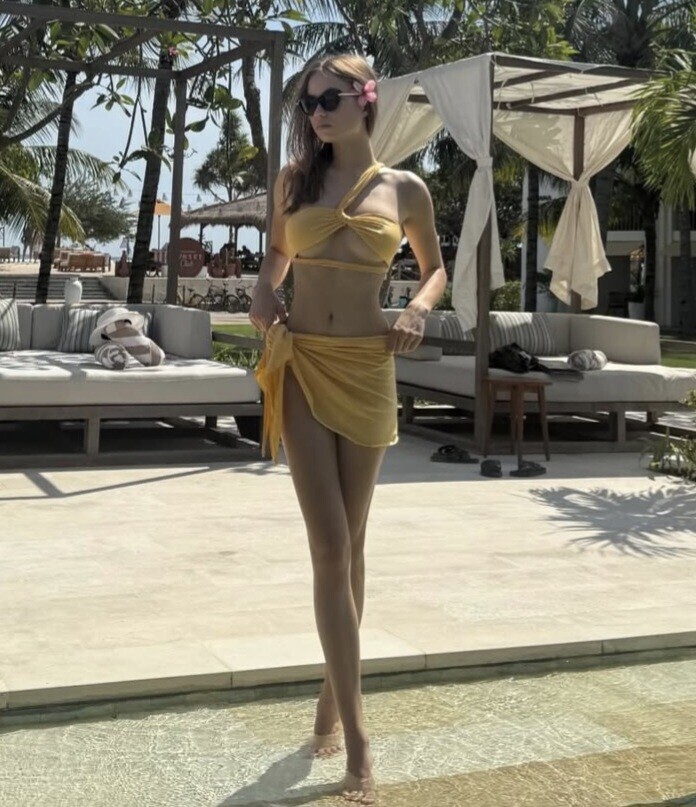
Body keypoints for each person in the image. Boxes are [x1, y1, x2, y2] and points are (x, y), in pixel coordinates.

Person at [248, 53, 446, 804]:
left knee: (353, 545)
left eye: (329, 99)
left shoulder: (406, 189)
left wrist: (419, 307)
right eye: (309, 104)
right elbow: (277, 254)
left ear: (366, 99)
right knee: (330, 545)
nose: (317, 113)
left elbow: (435, 268)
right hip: (301, 362)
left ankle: (331, 701)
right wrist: (264, 290)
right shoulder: (294, 183)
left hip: (368, 367)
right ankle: (360, 741)